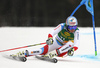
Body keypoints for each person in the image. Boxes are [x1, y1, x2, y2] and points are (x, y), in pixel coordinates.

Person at [13, 16, 79, 58]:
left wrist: (72, 50)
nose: (73, 29)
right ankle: (25, 53)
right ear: (67, 25)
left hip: (63, 50)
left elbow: (76, 44)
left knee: (71, 43)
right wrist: (50, 38)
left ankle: (54, 53)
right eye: (71, 27)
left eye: (74, 26)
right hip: (56, 42)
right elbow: (52, 32)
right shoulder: (62, 26)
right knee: (41, 51)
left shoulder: (76, 31)